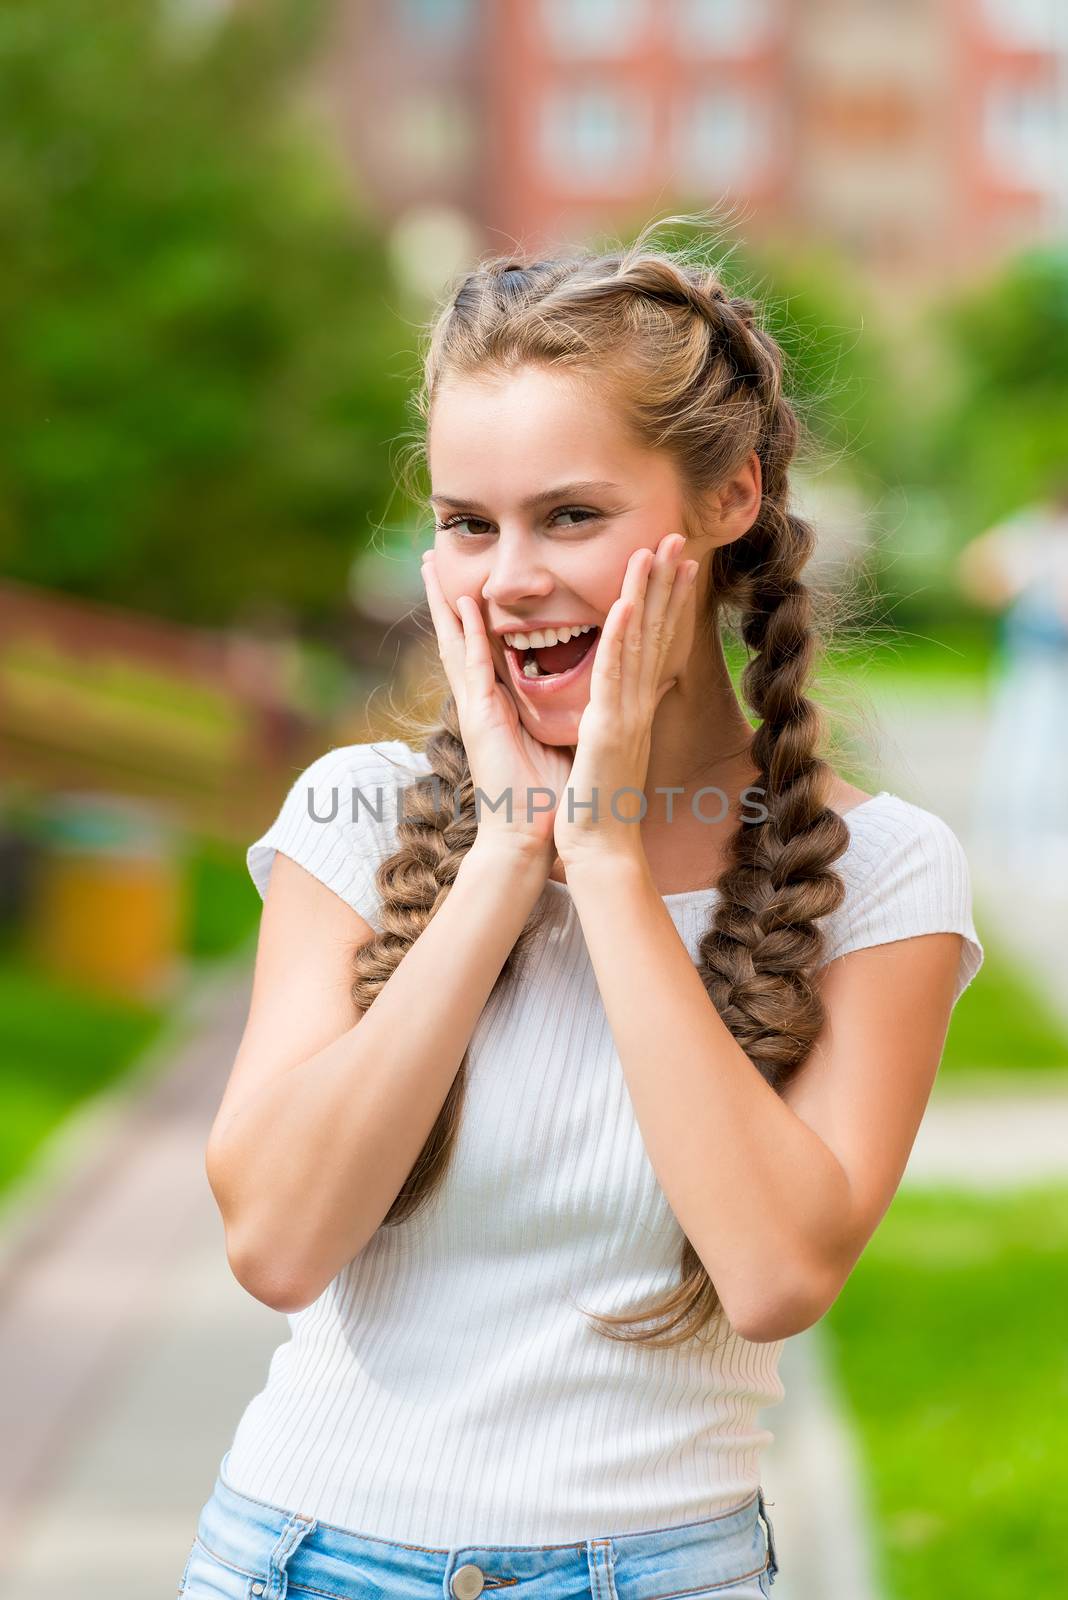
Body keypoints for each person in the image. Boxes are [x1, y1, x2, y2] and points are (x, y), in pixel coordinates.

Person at [178, 220, 984, 1600]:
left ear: (731, 497)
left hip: (654, 1570)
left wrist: (604, 863)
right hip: (293, 1558)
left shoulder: (883, 868)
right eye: (466, 526)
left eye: (571, 516)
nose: (510, 581)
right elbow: (276, 1240)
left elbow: (778, 1269)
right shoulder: (355, 812)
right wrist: (504, 862)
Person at [957, 478, 1068, 882]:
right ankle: (1010, 836)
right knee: (1023, 747)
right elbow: (978, 566)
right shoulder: (1034, 533)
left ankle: (1034, 835)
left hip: (1055, 656)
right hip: (1036, 655)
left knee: (1050, 749)